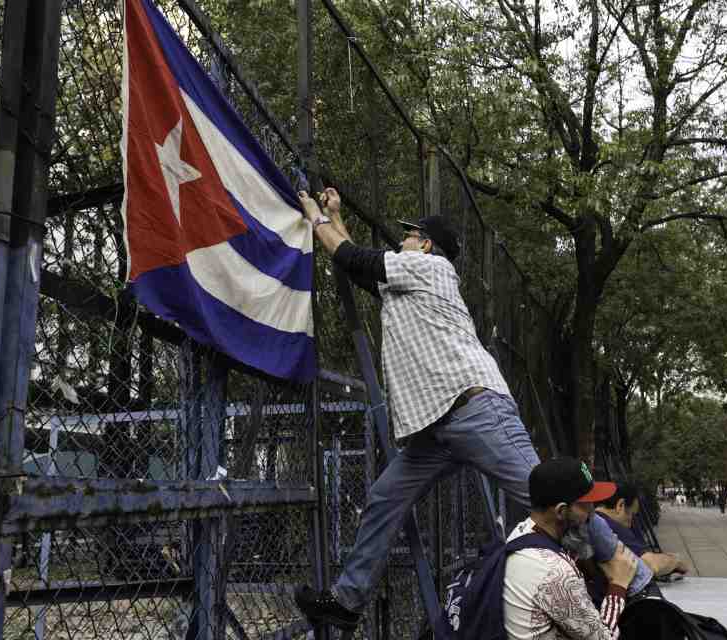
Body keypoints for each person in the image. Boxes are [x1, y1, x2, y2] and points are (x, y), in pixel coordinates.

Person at [292, 189, 650, 629]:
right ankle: (347, 602)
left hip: (476, 409)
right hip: (434, 426)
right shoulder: (407, 281)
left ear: (425, 244)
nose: (401, 239)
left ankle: (628, 573)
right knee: (385, 497)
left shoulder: (431, 267)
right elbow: (357, 263)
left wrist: (314, 216)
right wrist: (334, 215)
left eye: (408, 234)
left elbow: (352, 257)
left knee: (549, 496)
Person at [504, 458, 638, 640]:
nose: (593, 511)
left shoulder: (521, 532)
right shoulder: (555, 571)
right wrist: (618, 586)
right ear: (560, 511)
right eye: (587, 504)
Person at [595, 483, 690, 579]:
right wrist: (676, 561)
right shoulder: (609, 526)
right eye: (632, 514)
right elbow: (651, 564)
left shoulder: (595, 519)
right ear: (620, 506)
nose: (631, 524)